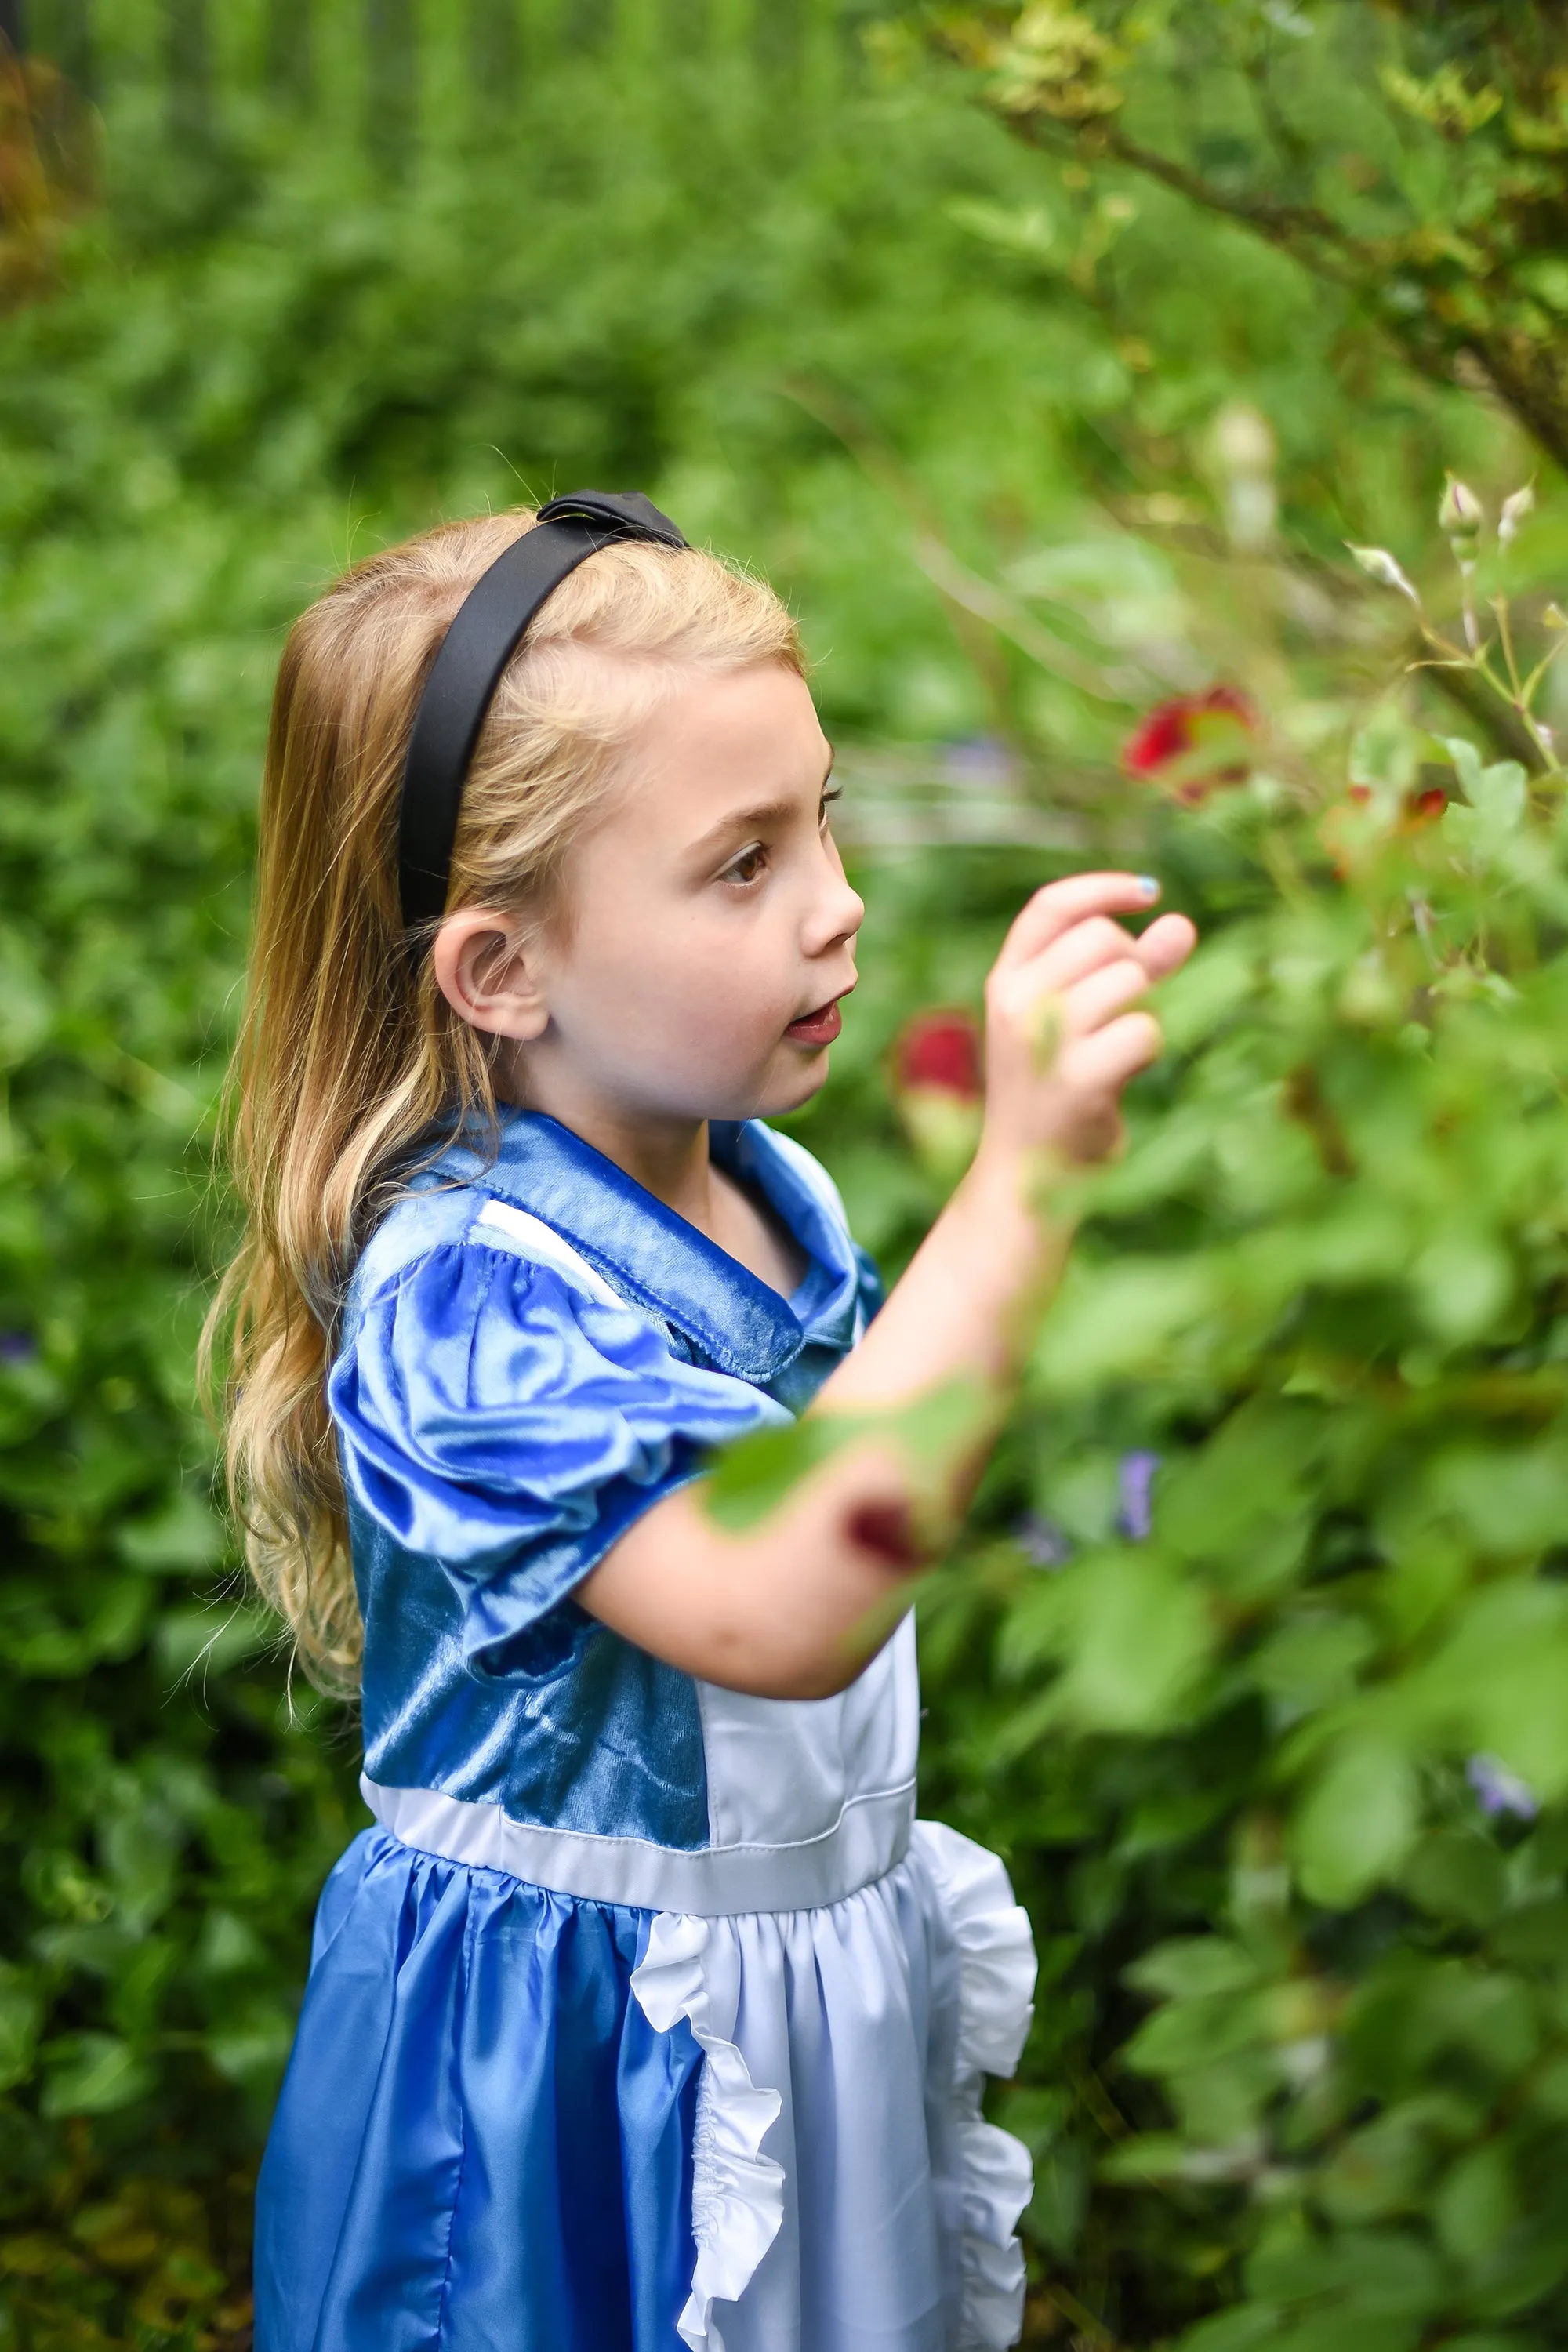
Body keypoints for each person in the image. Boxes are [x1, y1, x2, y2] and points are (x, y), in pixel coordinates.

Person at [209, 492, 1196, 2352]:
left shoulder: (760, 1185)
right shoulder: (470, 1297)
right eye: (739, 865)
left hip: (799, 1987)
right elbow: (780, 1605)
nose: (836, 902)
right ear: (502, 972)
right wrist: (1020, 1190)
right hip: (575, 2065)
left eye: (817, 819)